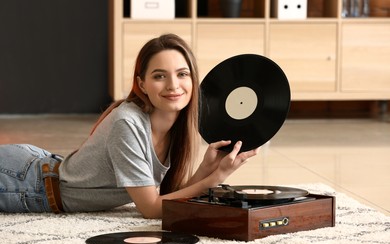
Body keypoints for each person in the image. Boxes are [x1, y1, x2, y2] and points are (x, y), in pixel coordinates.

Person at [0, 33, 259, 218]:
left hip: (39, 166)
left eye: (182, 74)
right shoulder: (128, 123)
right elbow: (152, 209)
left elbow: (173, 197)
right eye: (159, 76)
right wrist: (217, 178)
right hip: (23, 182)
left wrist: (207, 168)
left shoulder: (176, 127)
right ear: (142, 83)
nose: (173, 85)